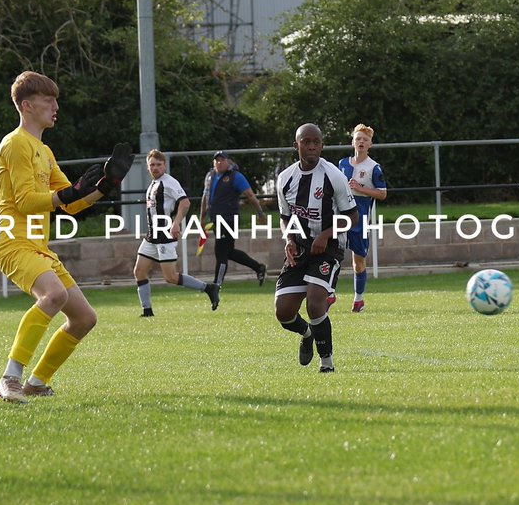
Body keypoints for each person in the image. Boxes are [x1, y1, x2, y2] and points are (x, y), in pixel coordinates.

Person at [0, 71, 133, 404]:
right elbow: (26, 201)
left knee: (84, 319)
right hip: (11, 241)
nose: (56, 106)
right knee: (53, 294)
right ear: (27, 105)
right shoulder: (14, 144)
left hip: (36, 246)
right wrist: (70, 192)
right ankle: (9, 378)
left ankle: (37, 383)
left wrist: (104, 187)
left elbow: (71, 204)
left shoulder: (44, 151)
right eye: (48, 100)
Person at [274, 123, 358, 373]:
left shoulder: (333, 176)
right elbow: (285, 217)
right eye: (306, 141)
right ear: (296, 145)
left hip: (329, 247)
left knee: (314, 303)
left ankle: (326, 363)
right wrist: (289, 239)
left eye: (316, 142)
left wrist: (326, 235)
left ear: (322, 146)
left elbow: (352, 217)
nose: (311, 146)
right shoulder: (285, 178)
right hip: (300, 248)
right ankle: (307, 333)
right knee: (284, 312)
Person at [134, 149, 219, 317]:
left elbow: (185, 203)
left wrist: (176, 223)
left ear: (165, 165)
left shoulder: (169, 182)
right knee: (139, 271)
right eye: (152, 165)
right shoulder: (153, 184)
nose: (155, 168)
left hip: (165, 235)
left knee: (171, 277)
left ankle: (209, 288)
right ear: (147, 167)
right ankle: (147, 311)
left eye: (159, 164)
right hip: (152, 236)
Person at [336, 123, 388, 312]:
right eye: (358, 138)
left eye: (365, 139)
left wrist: (360, 188)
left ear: (370, 144)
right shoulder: (342, 164)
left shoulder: (374, 168)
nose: (361, 142)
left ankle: (358, 299)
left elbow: (382, 194)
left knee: (358, 262)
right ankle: (329, 294)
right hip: (340, 217)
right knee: (332, 256)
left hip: (360, 219)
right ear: (353, 142)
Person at [200, 151, 268, 287]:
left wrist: (260, 213)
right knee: (228, 252)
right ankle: (258, 267)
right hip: (216, 219)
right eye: (217, 160)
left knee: (221, 252)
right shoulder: (210, 176)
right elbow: (205, 197)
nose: (219, 163)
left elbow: (250, 195)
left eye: (222, 160)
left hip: (229, 219)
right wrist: (202, 218)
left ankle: (216, 285)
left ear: (228, 161)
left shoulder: (235, 176)